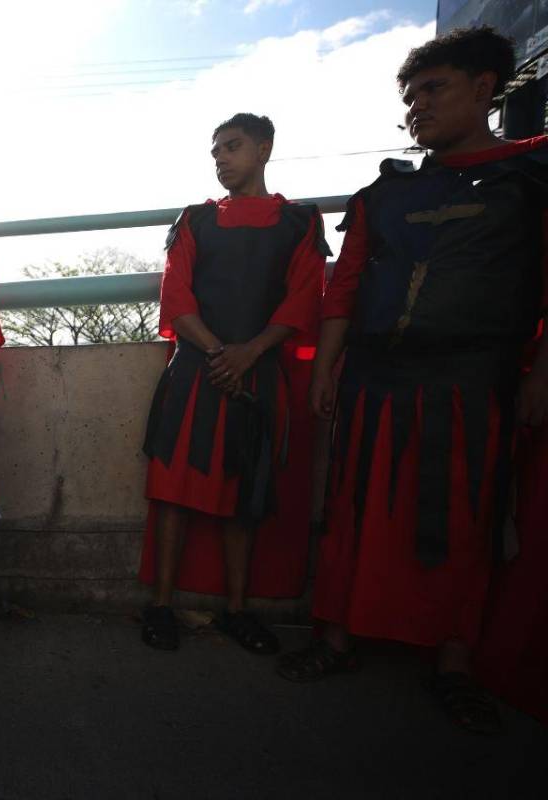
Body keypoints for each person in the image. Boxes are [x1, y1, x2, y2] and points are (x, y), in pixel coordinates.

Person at [277, 27, 548, 736]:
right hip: (373, 376)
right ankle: (334, 640)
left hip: (471, 380)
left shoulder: (533, 178)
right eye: (410, 97)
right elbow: (345, 287)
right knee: (353, 511)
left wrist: (540, 375)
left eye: (434, 90)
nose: (416, 108)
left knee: (464, 519)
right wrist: (327, 367)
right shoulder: (382, 194)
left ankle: (454, 663)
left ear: (485, 89)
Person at [140, 113, 326, 654]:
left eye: (233, 146)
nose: (221, 158)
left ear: (264, 149)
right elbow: (177, 298)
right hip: (198, 371)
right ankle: (161, 606)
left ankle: (238, 611)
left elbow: (302, 300)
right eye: (216, 150)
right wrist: (225, 353)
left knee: (246, 492)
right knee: (173, 491)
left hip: (257, 372)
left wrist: (251, 352)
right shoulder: (195, 220)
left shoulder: (299, 223)